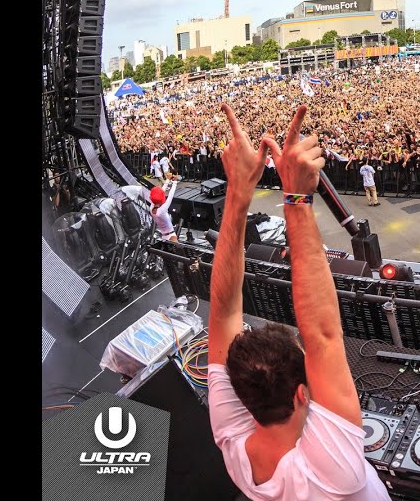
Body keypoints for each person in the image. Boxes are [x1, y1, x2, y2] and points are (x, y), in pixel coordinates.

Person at [207, 104, 391, 501]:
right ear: (301, 394)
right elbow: (322, 334)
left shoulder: (236, 445)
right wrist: (294, 199)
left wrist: (239, 194)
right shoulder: (333, 473)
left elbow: (223, 312)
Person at [150, 178, 178, 242]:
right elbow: (170, 195)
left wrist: (168, 180)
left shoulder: (151, 208)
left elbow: (160, 192)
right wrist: (175, 182)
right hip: (171, 236)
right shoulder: (162, 210)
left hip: (163, 236)